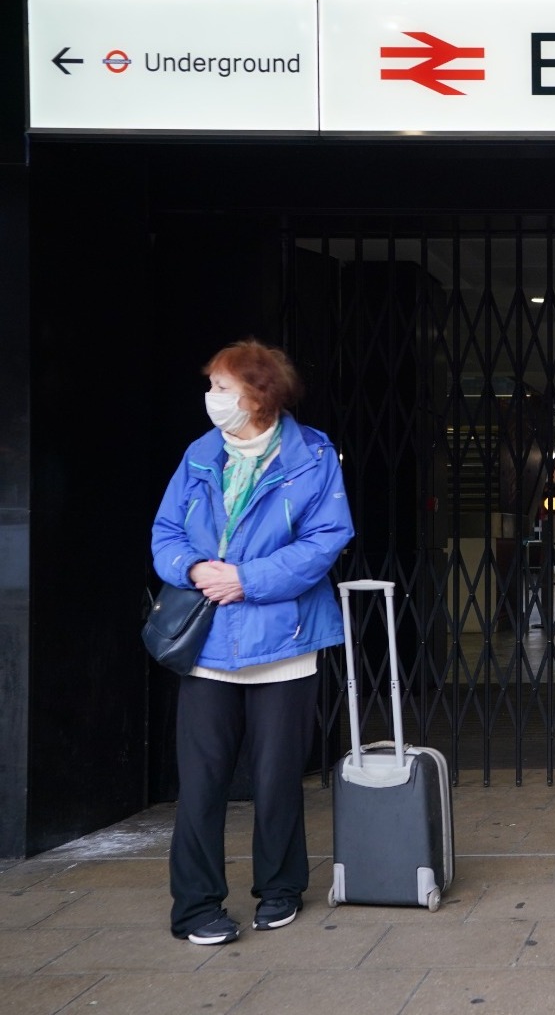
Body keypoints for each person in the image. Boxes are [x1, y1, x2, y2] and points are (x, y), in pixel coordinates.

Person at [151, 340, 354, 944]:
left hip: (284, 644)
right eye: (211, 387)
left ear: (259, 394)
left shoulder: (312, 455)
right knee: (202, 784)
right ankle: (194, 906)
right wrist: (192, 569)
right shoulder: (199, 454)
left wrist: (248, 579)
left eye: (221, 388)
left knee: (276, 779)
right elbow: (165, 530)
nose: (211, 399)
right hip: (208, 646)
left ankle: (281, 888)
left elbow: (325, 539)